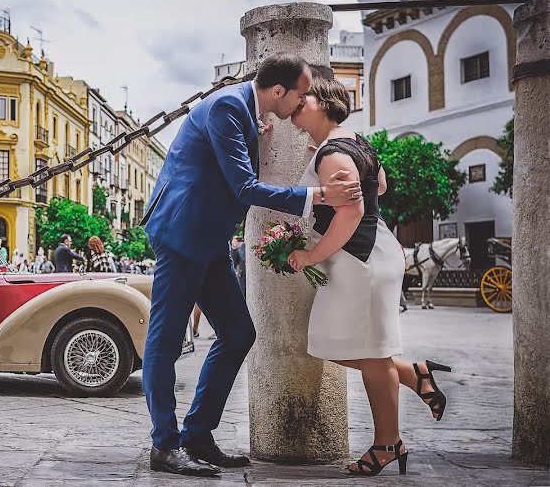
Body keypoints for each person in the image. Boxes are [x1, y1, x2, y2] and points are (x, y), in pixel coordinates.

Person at [139, 52, 362, 477]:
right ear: (278, 90)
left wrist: (257, 133)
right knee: (165, 341)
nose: (303, 102)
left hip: (209, 242)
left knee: (239, 332)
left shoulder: (248, 111)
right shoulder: (226, 106)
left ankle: (198, 435)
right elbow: (243, 187)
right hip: (182, 234)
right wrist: (318, 196)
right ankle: (164, 444)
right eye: (300, 93)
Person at [288, 76, 450, 476]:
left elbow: (353, 211)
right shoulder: (353, 143)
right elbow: (381, 183)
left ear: (324, 103)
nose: (296, 100)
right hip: (373, 252)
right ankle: (415, 375)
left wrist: (311, 255)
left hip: (358, 259)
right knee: (333, 342)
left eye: (304, 95)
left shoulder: (334, 154)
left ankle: (387, 443)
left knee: (371, 353)